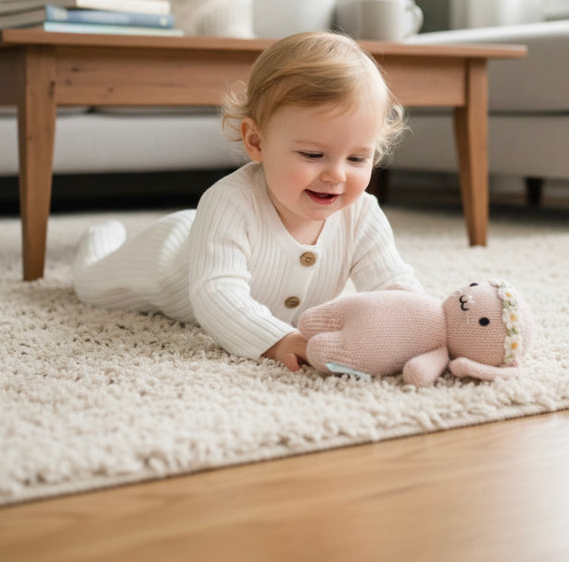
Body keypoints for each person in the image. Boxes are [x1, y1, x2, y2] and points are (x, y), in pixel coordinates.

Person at [73, 30, 422, 371]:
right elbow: (217, 293)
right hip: (166, 256)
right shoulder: (228, 202)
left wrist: (420, 325)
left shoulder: (362, 214)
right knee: (89, 282)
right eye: (313, 155)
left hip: (204, 232)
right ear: (256, 142)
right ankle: (102, 235)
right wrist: (279, 340)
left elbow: (391, 282)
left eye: (357, 159)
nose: (337, 175)